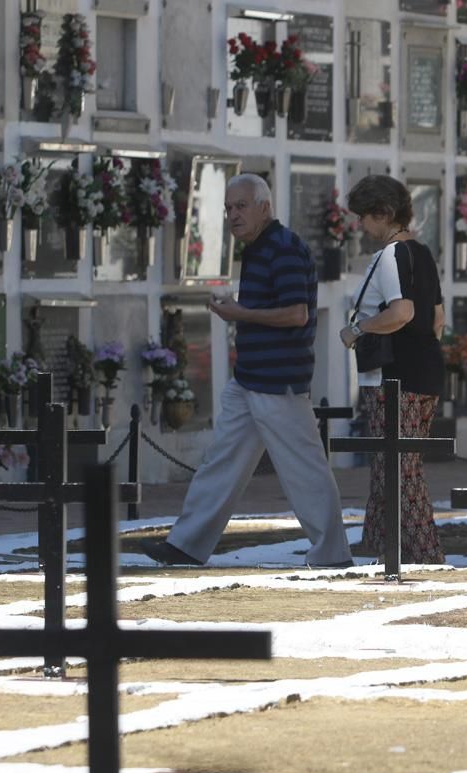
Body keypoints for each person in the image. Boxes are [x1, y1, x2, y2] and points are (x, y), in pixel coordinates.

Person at [142, 174, 353, 568]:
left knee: (304, 471)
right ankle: (186, 544)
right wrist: (238, 308)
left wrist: (240, 312)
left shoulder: (285, 248)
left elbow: (297, 313)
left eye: (240, 206)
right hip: (251, 377)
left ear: (264, 207)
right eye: (228, 208)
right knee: (220, 462)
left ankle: (332, 555)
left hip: (279, 382)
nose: (232, 215)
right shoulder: (257, 248)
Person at [338, 175, 446, 563]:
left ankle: (424, 553)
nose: (361, 226)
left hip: (392, 376)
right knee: (392, 465)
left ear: (383, 214)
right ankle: (379, 542)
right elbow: (437, 318)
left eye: (365, 217)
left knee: (401, 468)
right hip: (426, 370)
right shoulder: (422, 252)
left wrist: (357, 329)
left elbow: (402, 312)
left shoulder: (389, 256)